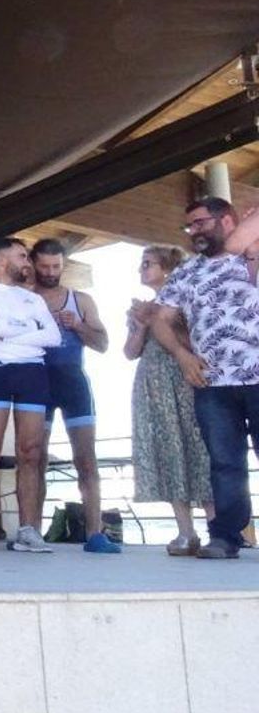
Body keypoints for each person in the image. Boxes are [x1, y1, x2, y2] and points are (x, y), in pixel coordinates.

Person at [152, 197, 259, 559]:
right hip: (212, 382)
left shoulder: (251, 253)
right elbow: (161, 320)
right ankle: (226, 537)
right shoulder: (186, 271)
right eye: (190, 226)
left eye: (200, 223)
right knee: (224, 462)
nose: (193, 232)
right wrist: (182, 355)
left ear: (227, 220)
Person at [0, 237, 60, 553]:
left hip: (33, 373)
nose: (27, 263)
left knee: (31, 452)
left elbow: (53, 336)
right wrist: (30, 329)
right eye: (22, 256)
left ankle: (28, 530)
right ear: (2, 260)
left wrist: (11, 332)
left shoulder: (33, 299)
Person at [30, 237, 117, 554]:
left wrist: (78, 325)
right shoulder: (26, 300)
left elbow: (103, 344)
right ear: (34, 264)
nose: (50, 272)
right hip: (37, 384)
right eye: (44, 266)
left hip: (73, 383)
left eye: (56, 266)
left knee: (85, 458)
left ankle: (95, 533)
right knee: (34, 459)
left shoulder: (80, 300)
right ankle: (32, 531)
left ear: (63, 265)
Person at [124, 245, 213, 556]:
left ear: (167, 268)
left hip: (185, 379)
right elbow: (130, 352)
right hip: (154, 384)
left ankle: (217, 527)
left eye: (148, 263)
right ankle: (185, 531)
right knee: (168, 450)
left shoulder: (187, 301)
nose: (142, 269)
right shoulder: (141, 307)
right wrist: (141, 325)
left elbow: (197, 342)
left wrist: (163, 322)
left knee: (199, 449)